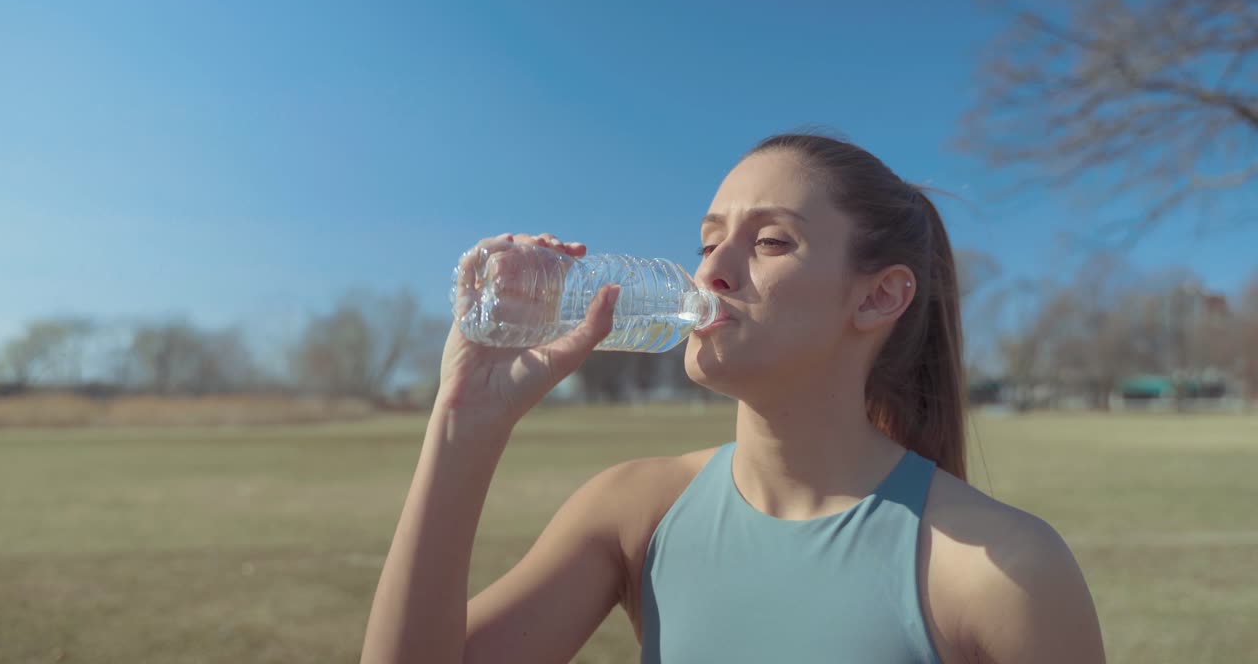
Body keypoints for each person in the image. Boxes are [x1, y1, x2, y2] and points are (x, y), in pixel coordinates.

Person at [359, 133, 1106, 664]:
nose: (711, 271)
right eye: (707, 241)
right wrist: (464, 422)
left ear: (879, 296)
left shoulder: (1000, 568)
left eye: (771, 241)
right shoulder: (633, 509)